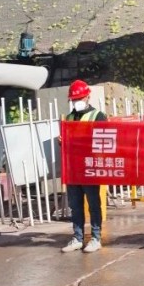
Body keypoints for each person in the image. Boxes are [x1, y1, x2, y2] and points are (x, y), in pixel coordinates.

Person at [60, 79, 108, 254]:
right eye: (74, 99)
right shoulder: (69, 117)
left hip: (90, 168)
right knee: (75, 205)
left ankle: (96, 238)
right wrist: (62, 141)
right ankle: (78, 238)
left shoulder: (98, 116)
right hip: (73, 169)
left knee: (93, 204)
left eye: (79, 98)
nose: (76, 102)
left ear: (88, 97)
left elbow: (104, 142)